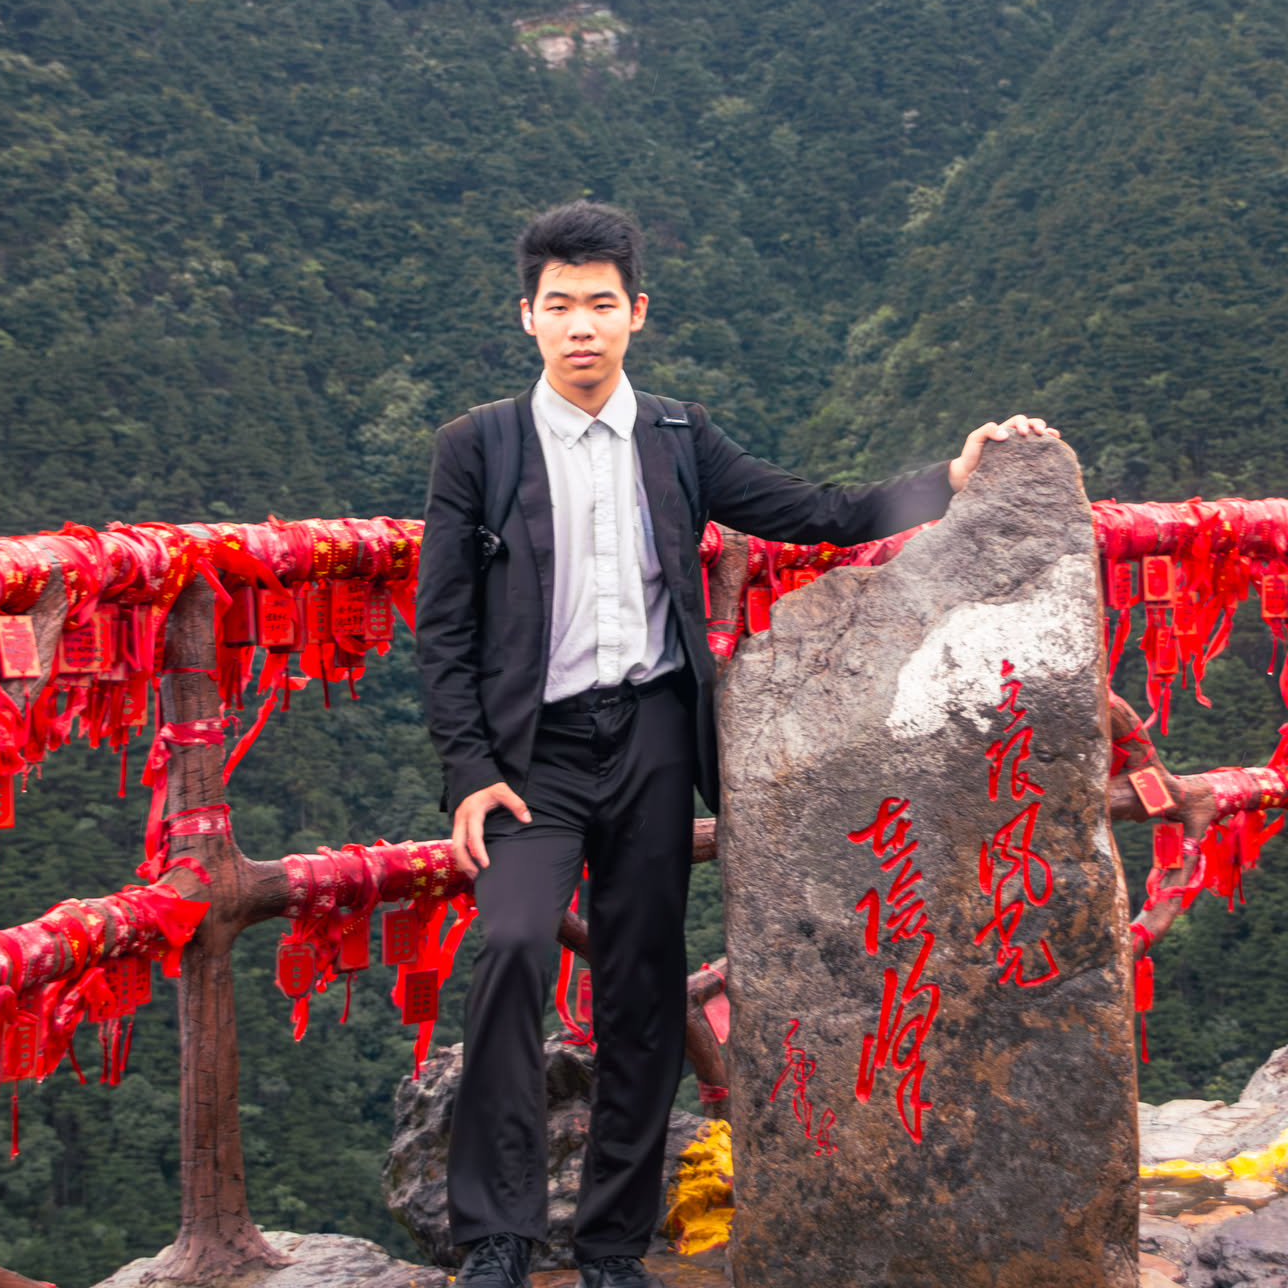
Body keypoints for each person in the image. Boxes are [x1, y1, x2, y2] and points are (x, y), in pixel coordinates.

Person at [417, 200, 1057, 1288]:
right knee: (514, 947)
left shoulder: (676, 437)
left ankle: (613, 1244)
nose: (581, 326)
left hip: (655, 737)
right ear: (527, 316)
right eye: (559, 305)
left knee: (642, 984)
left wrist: (948, 483)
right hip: (535, 758)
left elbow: (814, 511)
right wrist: (470, 771)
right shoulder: (477, 447)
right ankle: (499, 1236)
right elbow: (443, 627)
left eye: (601, 304)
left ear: (637, 312)